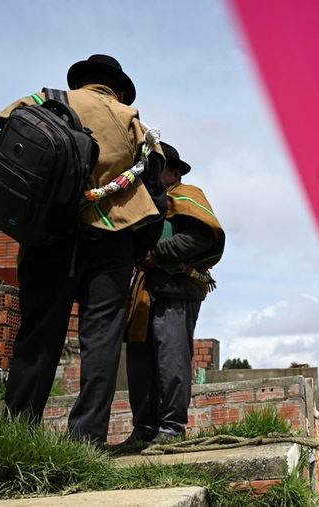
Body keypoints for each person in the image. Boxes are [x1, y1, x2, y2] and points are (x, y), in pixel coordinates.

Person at [0, 55, 166, 444]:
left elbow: (1, 153)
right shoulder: (133, 122)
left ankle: (17, 434)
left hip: (49, 237)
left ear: (81, 81)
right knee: (101, 341)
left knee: (38, 335)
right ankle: (86, 439)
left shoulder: (41, 102)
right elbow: (155, 197)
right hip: (112, 241)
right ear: (117, 88)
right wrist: (137, 250)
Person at [122, 142, 225, 446]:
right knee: (140, 364)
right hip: (145, 293)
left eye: (159, 167)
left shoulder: (187, 196)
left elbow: (201, 237)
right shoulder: (147, 202)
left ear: (175, 172)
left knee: (171, 360)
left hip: (176, 291)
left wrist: (157, 253)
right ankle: (143, 429)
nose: (151, 174)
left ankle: (171, 428)